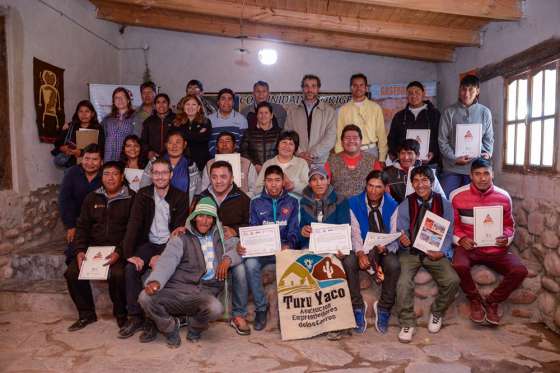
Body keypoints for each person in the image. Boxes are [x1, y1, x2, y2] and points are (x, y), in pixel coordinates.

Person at [138, 197, 240, 346]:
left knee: (215, 308)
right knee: (145, 297)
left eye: (209, 217)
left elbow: (241, 248)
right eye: (201, 216)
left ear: (214, 219)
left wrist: (228, 259)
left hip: (203, 292)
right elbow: (167, 261)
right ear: (194, 217)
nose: (204, 221)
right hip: (178, 290)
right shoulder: (181, 238)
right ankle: (170, 328)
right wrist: (155, 281)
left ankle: (195, 328)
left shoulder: (220, 237)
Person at [451, 158, 527, 325]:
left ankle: (492, 301)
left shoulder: (503, 196)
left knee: (519, 271)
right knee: (458, 266)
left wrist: (506, 238)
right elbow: (453, 226)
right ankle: (475, 300)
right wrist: (461, 239)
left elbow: (509, 225)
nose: (482, 178)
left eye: (486, 173)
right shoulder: (457, 196)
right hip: (469, 248)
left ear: (492, 174)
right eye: (477, 174)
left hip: (495, 249)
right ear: (471, 175)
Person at [118, 158, 188, 339]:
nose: (160, 177)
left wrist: (162, 256)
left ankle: (152, 320)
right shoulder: (143, 194)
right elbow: (133, 225)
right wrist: (129, 254)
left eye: (164, 172)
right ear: (150, 175)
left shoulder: (180, 196)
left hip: (168, 245)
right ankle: (135, 317)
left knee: (160, 272)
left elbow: (179, 232)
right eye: (156, 173)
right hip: (148, 243)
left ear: (171, 175)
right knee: (131, 269)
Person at [64, 161, 135, 332]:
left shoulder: (132, 198)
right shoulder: (92, 198)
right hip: (94, 250)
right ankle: (86, 314)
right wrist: (80, 250)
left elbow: (133, 231)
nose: (110, 178)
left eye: (114, 174)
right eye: (106, 174)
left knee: (118, 274)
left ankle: (121, 315)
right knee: (72, 272)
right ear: (101, 177)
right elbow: (82, 227)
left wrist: (119, 252)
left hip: (120, 249)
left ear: (122, 177)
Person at [299, 165, 366, 340]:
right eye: (314, 179)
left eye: (322, 178)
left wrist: (341, 249)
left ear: (328, 180)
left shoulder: (341, 200)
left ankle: (357, 308)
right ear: (310, 183)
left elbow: (345, 226)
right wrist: (303, 231)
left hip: (338, 247)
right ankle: (319, 318)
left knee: (349, 262)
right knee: (309, 263)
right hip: (315, 247)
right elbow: (301, 229)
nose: (318, 182)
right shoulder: (304, 201)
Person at [394, 166, 459, 343]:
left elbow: (448, 231)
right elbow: (401, 229)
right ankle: (407, 322)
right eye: (416, 180)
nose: (420, 184)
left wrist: (442, 251)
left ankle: (437, 312)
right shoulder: (406, 204)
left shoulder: (445, 204)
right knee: (403, 283)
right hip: (411, 253)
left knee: (452, 280)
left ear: (431, 182)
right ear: (412, 183)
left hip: (435, 252)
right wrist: (404, 237)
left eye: (424, 180)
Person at [235, 165, 299, 333]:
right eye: (269, 180)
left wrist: (289, 245)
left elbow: (294, 229)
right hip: (262, 250)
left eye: (277, 180)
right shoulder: (256, 202)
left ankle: (292, 315)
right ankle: (261, 309)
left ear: (283, 182)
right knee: (250, 264)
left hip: (284, 249)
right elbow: (253, 229)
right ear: (264, 182)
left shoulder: (293, 202)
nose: (273, 184)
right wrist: (248, 244)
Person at [192, 161, 252, 335]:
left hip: (232, 247)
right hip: (207, 247)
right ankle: (198, 311)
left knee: (240, 268)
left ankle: (238, 315)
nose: (218, 181)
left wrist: (235, 230)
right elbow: (192, 222)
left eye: (223, 177)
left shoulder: (242, 198)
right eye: (214, 177)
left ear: (232, 178)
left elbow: (252, 226)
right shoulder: (202, 197)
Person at [348, 170, 400, 334]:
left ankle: (384, 307)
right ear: (366, 184)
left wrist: (387, 248)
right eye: (370, 185)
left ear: (386, 188)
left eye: (378, 187)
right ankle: (357, 306)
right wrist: (360, 253)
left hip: (382, 248)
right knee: (348, 263)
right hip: (362, 246)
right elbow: (354, 232)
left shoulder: (392, 205)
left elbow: (394, 234)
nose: (373, 190)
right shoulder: (354, 203)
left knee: (393, 265)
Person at [438, 75, 494, 197]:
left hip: (477, 169)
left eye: (471, 90)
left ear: (477, 91)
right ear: (459, 89)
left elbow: (488, 139)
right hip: (452, 168)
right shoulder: (449, 112)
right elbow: (442, 141)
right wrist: (454, 157)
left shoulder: (485, 112)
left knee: (474, 203)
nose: (466, 94)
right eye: (463, 89)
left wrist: (487, 153)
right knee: (446, 200)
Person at [58, 144, 103, 261]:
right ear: (82, 159)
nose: (90, 163)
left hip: (101, 225)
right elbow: (64, 200)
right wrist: (70, 226)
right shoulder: (72, 173)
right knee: (73, 255)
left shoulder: (107, 175)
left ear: (101, 162)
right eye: (87, 159)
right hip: (78, 225)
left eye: (95, 159)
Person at [387, 81, 441, 167]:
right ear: (406, 96)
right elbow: (392, 138)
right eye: (410, 93)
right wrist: (398, 155)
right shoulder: (399, 116)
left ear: (423, 94)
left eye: (417, 92)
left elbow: (440, 137)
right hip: (405, 164)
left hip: (429, 163)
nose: (414, 96)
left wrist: (433, 153)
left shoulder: (434, 114)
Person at [285, 75, 336, 164]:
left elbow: (331, 137)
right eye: (306, 86)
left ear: (318, 89)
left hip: (320, 161)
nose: (310, 90)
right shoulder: (292, 111)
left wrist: (312, 154)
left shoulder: (329, 111)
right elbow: (288, 134)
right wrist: (299, 152)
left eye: (313, 86)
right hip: (298, 160)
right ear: (302, 88)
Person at [335, 73, 387, 160]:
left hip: (371, 151)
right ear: (351, 88)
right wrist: (339, 156)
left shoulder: (375, 108)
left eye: (361, 85)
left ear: (366, 88)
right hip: (349, 151)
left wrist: (382, 158)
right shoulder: (342, 110)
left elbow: (382, 135)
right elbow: (339, 136)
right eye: (355, 85)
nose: (358, 88)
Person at [140, 131, 201, 204]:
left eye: (178, 142)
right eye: (170, 142)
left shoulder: (191, 165)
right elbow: (143, 187)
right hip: (156, 209)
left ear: (184, 144)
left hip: (183, 209)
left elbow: (197, 192)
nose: (174, 146)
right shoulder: (154, 162)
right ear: (166, 145)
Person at [325, 124, 378, 198]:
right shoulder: (331, 160)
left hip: (364, 206)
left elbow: (380, 188)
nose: (351, 141)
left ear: (361, 141)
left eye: (355, 138)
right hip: (338, 206)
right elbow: (324, 186)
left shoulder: (372, 160)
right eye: (347, 138)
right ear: (342, 142)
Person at [385, 139, 445, 203]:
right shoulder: (387, 173)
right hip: (397, 210)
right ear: (398, 155)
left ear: (417, 155)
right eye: (403, 153)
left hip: (423, 209)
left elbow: (442, 199)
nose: (406, 157)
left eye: (410, 153)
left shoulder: (427, 172)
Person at [201, 131, 257, 197]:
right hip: (217, 203)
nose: (224, 144)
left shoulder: (246, 163)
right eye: (221, 142)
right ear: (216, 147)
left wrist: (240, 198)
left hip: (242, 202)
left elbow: (255, 190)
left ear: (235, 146)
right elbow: (204, 189)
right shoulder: (210, 164)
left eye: (228, 141)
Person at [52, 100, 104, 168]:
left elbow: (101, 148)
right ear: (77, 113)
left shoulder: (98, 128)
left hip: (90, 166)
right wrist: (62, 148)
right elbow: (58, 143)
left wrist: (81, 152)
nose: (84, 114)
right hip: (71, 166)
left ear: (92, 113)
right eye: (81, 111)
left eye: (87, 111)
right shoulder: (71, 126)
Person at [255, 131, 309, 196]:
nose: (287, 146)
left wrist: (293, 186)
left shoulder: (302, 163)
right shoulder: (268, 164)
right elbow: (257, 189)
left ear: (295, 149)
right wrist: (272, 188)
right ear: (277, 145)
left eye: (291, 144)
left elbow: (309, 189)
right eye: (284, 142)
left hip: (295, 203)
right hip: (270, 203)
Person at [173, 94, 212, 171]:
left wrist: (184, 135)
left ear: (198, 108)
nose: (190, 107)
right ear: (183, 107)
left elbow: (203, 138)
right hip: (180, 163)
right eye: (187, 104)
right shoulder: (176, 122)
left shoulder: (206, 121)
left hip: (201, 164)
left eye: (194, 104)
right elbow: (175, 139)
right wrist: (197, 134)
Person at [240, 102, 282, 173]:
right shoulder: (248, 133)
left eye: (266, 113)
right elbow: (243, 151)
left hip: (275, 171)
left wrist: (274, 165)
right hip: (254, 172)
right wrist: (255, 165)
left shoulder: (280, 132)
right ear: (256, 115)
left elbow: (283, 151)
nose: (263, 116)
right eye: (260, 113)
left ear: (271, 115)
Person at [208, 88, 248, 156]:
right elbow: (208, 142)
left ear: (233, 102)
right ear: (218, 102)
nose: (226, 102)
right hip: (214, 158)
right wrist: (217, 155)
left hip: (235, 158)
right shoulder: (209, 119)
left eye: (230, 99)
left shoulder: (242, 120)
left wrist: (232, 156)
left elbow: (243, 143)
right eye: (223, 99)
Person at [102, 87, 136, 162]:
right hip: (108, 160)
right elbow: (102, 139)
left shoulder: (136, 117)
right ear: (113, 101)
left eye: (122, 97)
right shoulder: (107, 119)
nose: (119, 100)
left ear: (128, 100)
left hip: (127, 160)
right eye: (116, 98)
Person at [140, 93, 176, 160]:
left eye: (164, 102)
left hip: (172, 157)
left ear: (169, 104)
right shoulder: (148, 121)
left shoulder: (176, 119)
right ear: (155, 105)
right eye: (158, 102)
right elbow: (143, 141)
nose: (161, 105)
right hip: (153, 158)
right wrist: (149, 151)